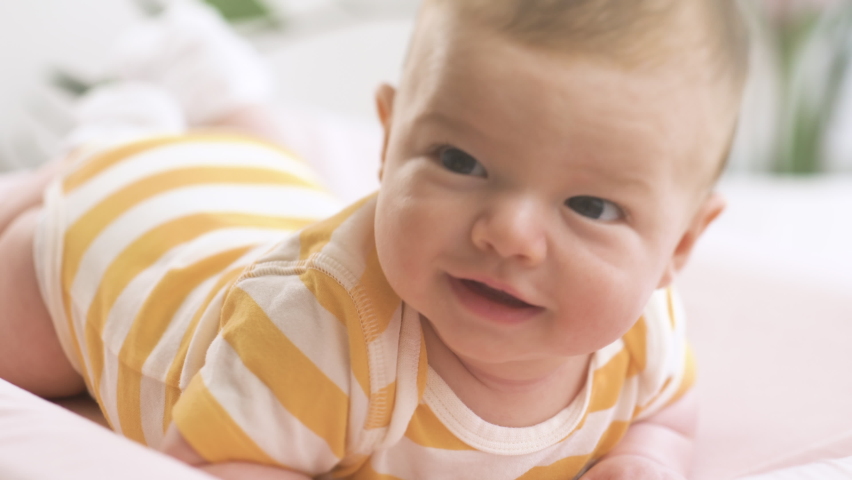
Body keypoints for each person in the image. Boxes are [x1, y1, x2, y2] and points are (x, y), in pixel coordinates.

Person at [0, 0, 749, 478]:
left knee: (273, 170)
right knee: (23, 336)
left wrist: (648, 461)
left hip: (254, 191)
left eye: (591, 205)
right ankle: (107, 138)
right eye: (459, 161)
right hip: (116, 244)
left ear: (677, 246)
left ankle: (199, 101)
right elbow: (216, 463)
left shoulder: (641, 331)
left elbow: (667, 414)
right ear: (389, 143)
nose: (510, 233)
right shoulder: (317, 334)